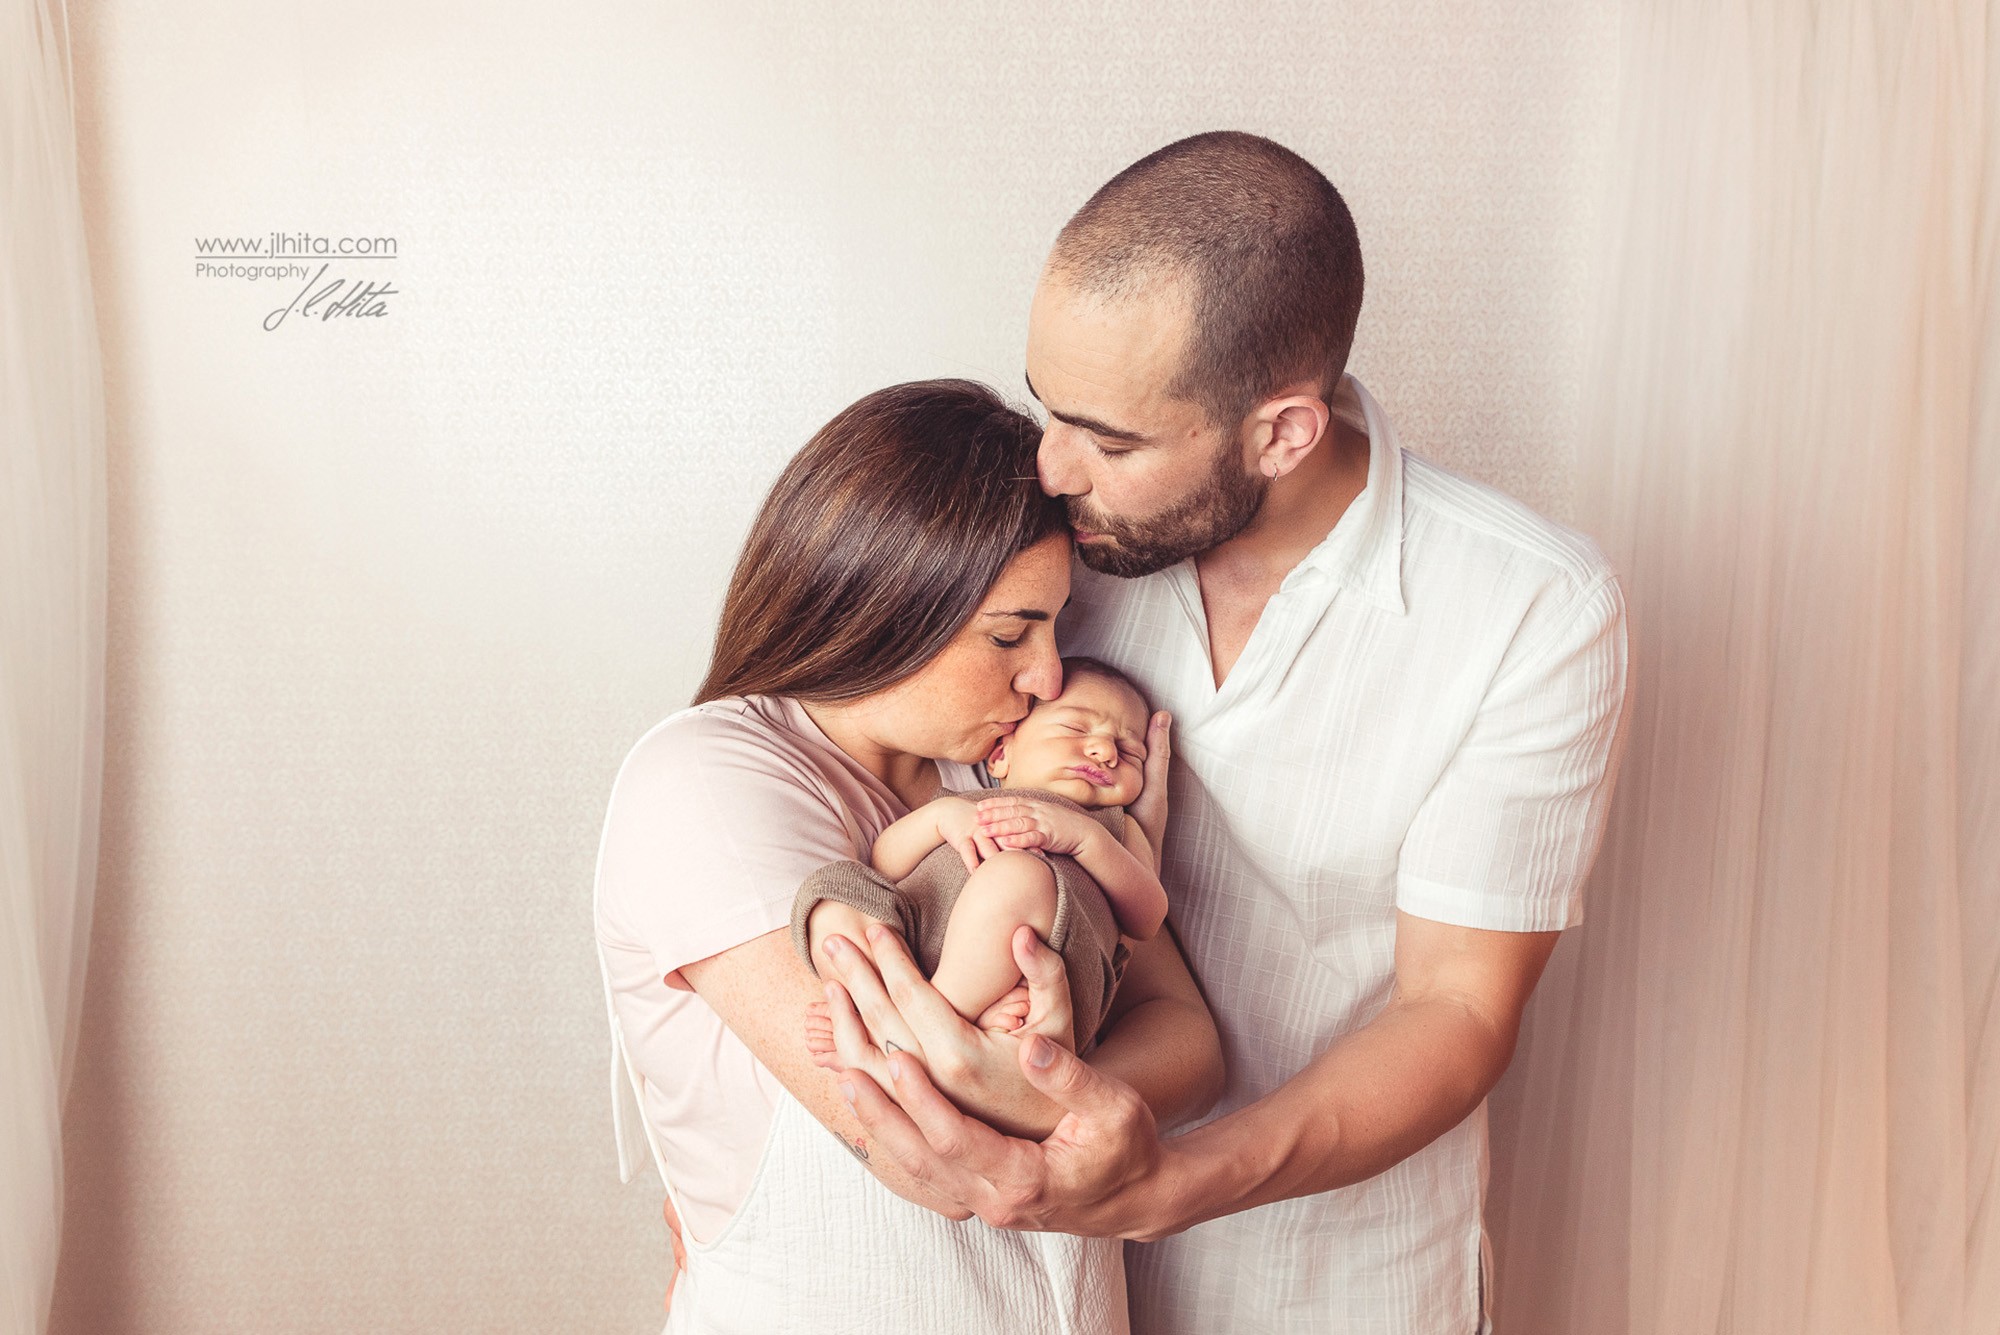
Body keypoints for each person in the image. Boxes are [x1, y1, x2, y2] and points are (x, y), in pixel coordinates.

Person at [819, 132, 1632, 1333]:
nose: (1049, 466)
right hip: (1010, 1279)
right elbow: (845, 757)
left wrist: (1167, 1183)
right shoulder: (1041, 557)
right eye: (1048, 409)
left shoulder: (1531, 608)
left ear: (1282, 433)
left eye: (1110, 440)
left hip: (1333, 1279)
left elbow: (1456, 1011)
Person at [591, 379, 1224, 1332]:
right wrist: (1072, 1087)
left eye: (1054, 627)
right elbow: (919, 1150)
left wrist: (1035, 1068)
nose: (1049, 675)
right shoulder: (703, 780)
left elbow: (1194, 1046)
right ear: (885, 603)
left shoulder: (1004, 769)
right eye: (1010, 633)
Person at [795, 658, 1168, 1062]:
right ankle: (890, 1011)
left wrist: (1085, 839)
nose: (1106, 752)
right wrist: (940, 818)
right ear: (1001, 757)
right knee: (833, 888)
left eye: (1130, 752)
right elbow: (883, 866)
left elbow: (1147, 919)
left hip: (1035, 971)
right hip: (916, 943)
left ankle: (926, 1028)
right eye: (1076, 729)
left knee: (1019, 877)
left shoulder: (1114, 828)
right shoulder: (963, 805)